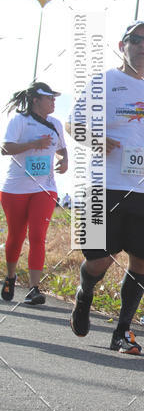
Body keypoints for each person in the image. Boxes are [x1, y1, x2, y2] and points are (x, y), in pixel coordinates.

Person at [67, 21, 144, 354]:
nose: (143, 46)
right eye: (136, 40)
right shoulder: (103, 82)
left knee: (142, 263)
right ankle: (85, 293)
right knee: (99, 261)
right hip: (102, 187)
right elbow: (72, 124)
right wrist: (95, 139)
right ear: (123, 45)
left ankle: (122, 331)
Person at [1, 82, 68, 305]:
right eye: (49, 97)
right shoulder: (19, 121)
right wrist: (34, 144)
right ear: (35, 100)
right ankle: (11, 276)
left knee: (38, 236)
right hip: (16, 188)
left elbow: (61, 148)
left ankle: (34, 288)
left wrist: (64, 160)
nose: (54, 101)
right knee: (16, 235)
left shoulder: (55, 123)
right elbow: (5, 148)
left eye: (54, 98)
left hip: (45, 187)